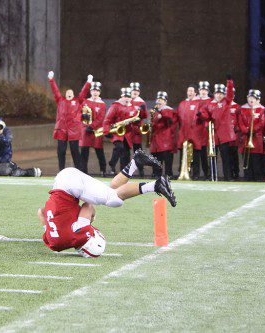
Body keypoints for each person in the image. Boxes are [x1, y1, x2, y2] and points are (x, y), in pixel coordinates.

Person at [37, 149, 176, 258]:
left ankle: (156, 185)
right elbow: (42, 212)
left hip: (70, 186)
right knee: (110, 191)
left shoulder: (79, 235)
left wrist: (91, 217)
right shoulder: (54, 244)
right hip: (62, 182)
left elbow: (88, 206)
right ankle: (135, 162)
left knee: (113, 200)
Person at [48, 70, 92, 172]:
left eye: (70, 92)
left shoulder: (78, 101)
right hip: (62, 129)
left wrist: (88, 82)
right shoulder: (60, 100)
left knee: (75, 151)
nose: (69, 93)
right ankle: (61, 170)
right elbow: (55, 90)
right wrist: (51, 79)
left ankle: (79, 171)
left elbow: (84, 92)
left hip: (74, 130)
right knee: (61, 151)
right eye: (67, 92)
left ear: (73, 94)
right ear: (65, 94)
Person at [198, 75, 236, 181]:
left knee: (225, 157)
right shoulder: (210, 104)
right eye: (217, 93)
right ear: (214, 94)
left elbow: (230, 93)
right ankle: (212, 176)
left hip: (224, 134)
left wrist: (229, 82)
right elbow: (207, 116)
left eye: (220, 93)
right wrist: (201, 114)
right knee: (212, 156)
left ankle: (228, 176)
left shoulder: (226, 101)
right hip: (214, 134)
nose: (219, 95)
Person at [176, 85, 206, 180]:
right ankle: (182, 173)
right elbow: (178, 118)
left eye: (192, 91)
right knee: (183, 154)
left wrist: (200, 115)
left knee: (196, 155)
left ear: (195, 92)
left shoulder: (199, 103)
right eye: (188, 90)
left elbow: (204, 116)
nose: (190, 92)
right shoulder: (182, 103)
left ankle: (195, 174)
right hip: (183, 133)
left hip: (195, 133)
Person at [103, 87, 136, 174]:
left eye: (129, 97)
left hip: (127, 134)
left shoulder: (132, 108)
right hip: (117, 132)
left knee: (126, 155)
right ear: (122, 96)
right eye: (125, 96)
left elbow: (134, 121)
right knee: (119, 147)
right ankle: (112, 163)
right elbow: (107, 119)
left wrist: (133, 122)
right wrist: (106, 131)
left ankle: (123, 173)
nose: (127, 98)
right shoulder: (115, 106)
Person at [79, 81, 107, 176]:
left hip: (95, 131)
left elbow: (100, 118)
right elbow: (80, 113)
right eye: (93, 90)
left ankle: (103, 170)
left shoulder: (102, 104)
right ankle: (83, 171)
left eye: (97, 91)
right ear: (90, 92)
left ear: (100, 92)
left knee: (99, 151)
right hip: (85, 130)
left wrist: (92, 126)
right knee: (84, 152)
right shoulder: (85, 102)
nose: (95, 92)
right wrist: (83, 117)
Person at [238, 90, 265, 181]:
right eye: (250, 98)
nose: (251, 100)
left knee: (256, 159)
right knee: (246, 159)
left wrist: (252, 130)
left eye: (254, 98)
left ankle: (257, 177)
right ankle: (247, 176)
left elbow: (262, 123)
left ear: (258, 99)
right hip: (245, 137)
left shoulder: (262, 109)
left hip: (256, 138)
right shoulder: (242, 109)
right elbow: (240, 122)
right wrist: (245, 130)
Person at [150, 91, 175, 178]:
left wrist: (160, 114)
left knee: (166, 158)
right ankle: (156, 174)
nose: (159, 102)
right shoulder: (155, 111)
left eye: (161, 100)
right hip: (156, 139)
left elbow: (169, 120)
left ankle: (168, 174)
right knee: (156, 159)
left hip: (165, 139)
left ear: (165, 102)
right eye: (158, 100)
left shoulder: (168, 110)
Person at [127, 82, 148, 177]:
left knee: (138, 152)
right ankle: (125, 172)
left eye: (136, 90)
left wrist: (142, 112)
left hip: (135, 130)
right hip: (126, 130)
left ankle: (141, 172)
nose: (134, 92)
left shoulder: (141, 102)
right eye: (133, 90)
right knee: (125, 152)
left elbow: (145, 116)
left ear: (139, 92)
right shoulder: (126, 100)